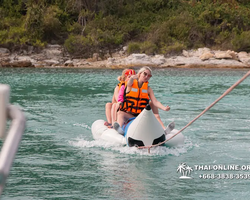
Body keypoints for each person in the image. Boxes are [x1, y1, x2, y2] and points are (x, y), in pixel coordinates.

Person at [114, 66, 174, 135]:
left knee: (156, 115)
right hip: (129, 114)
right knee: (120, 113)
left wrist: (164, 108)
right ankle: (120, 130)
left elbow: (155, 101)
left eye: (149, 76)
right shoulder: (130, 85)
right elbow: (129, 83)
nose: (146, 77)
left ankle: (164, 130)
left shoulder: (148, 89)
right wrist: (132, 78)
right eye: (145, 74)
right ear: (139, 74)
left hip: (141, 115)